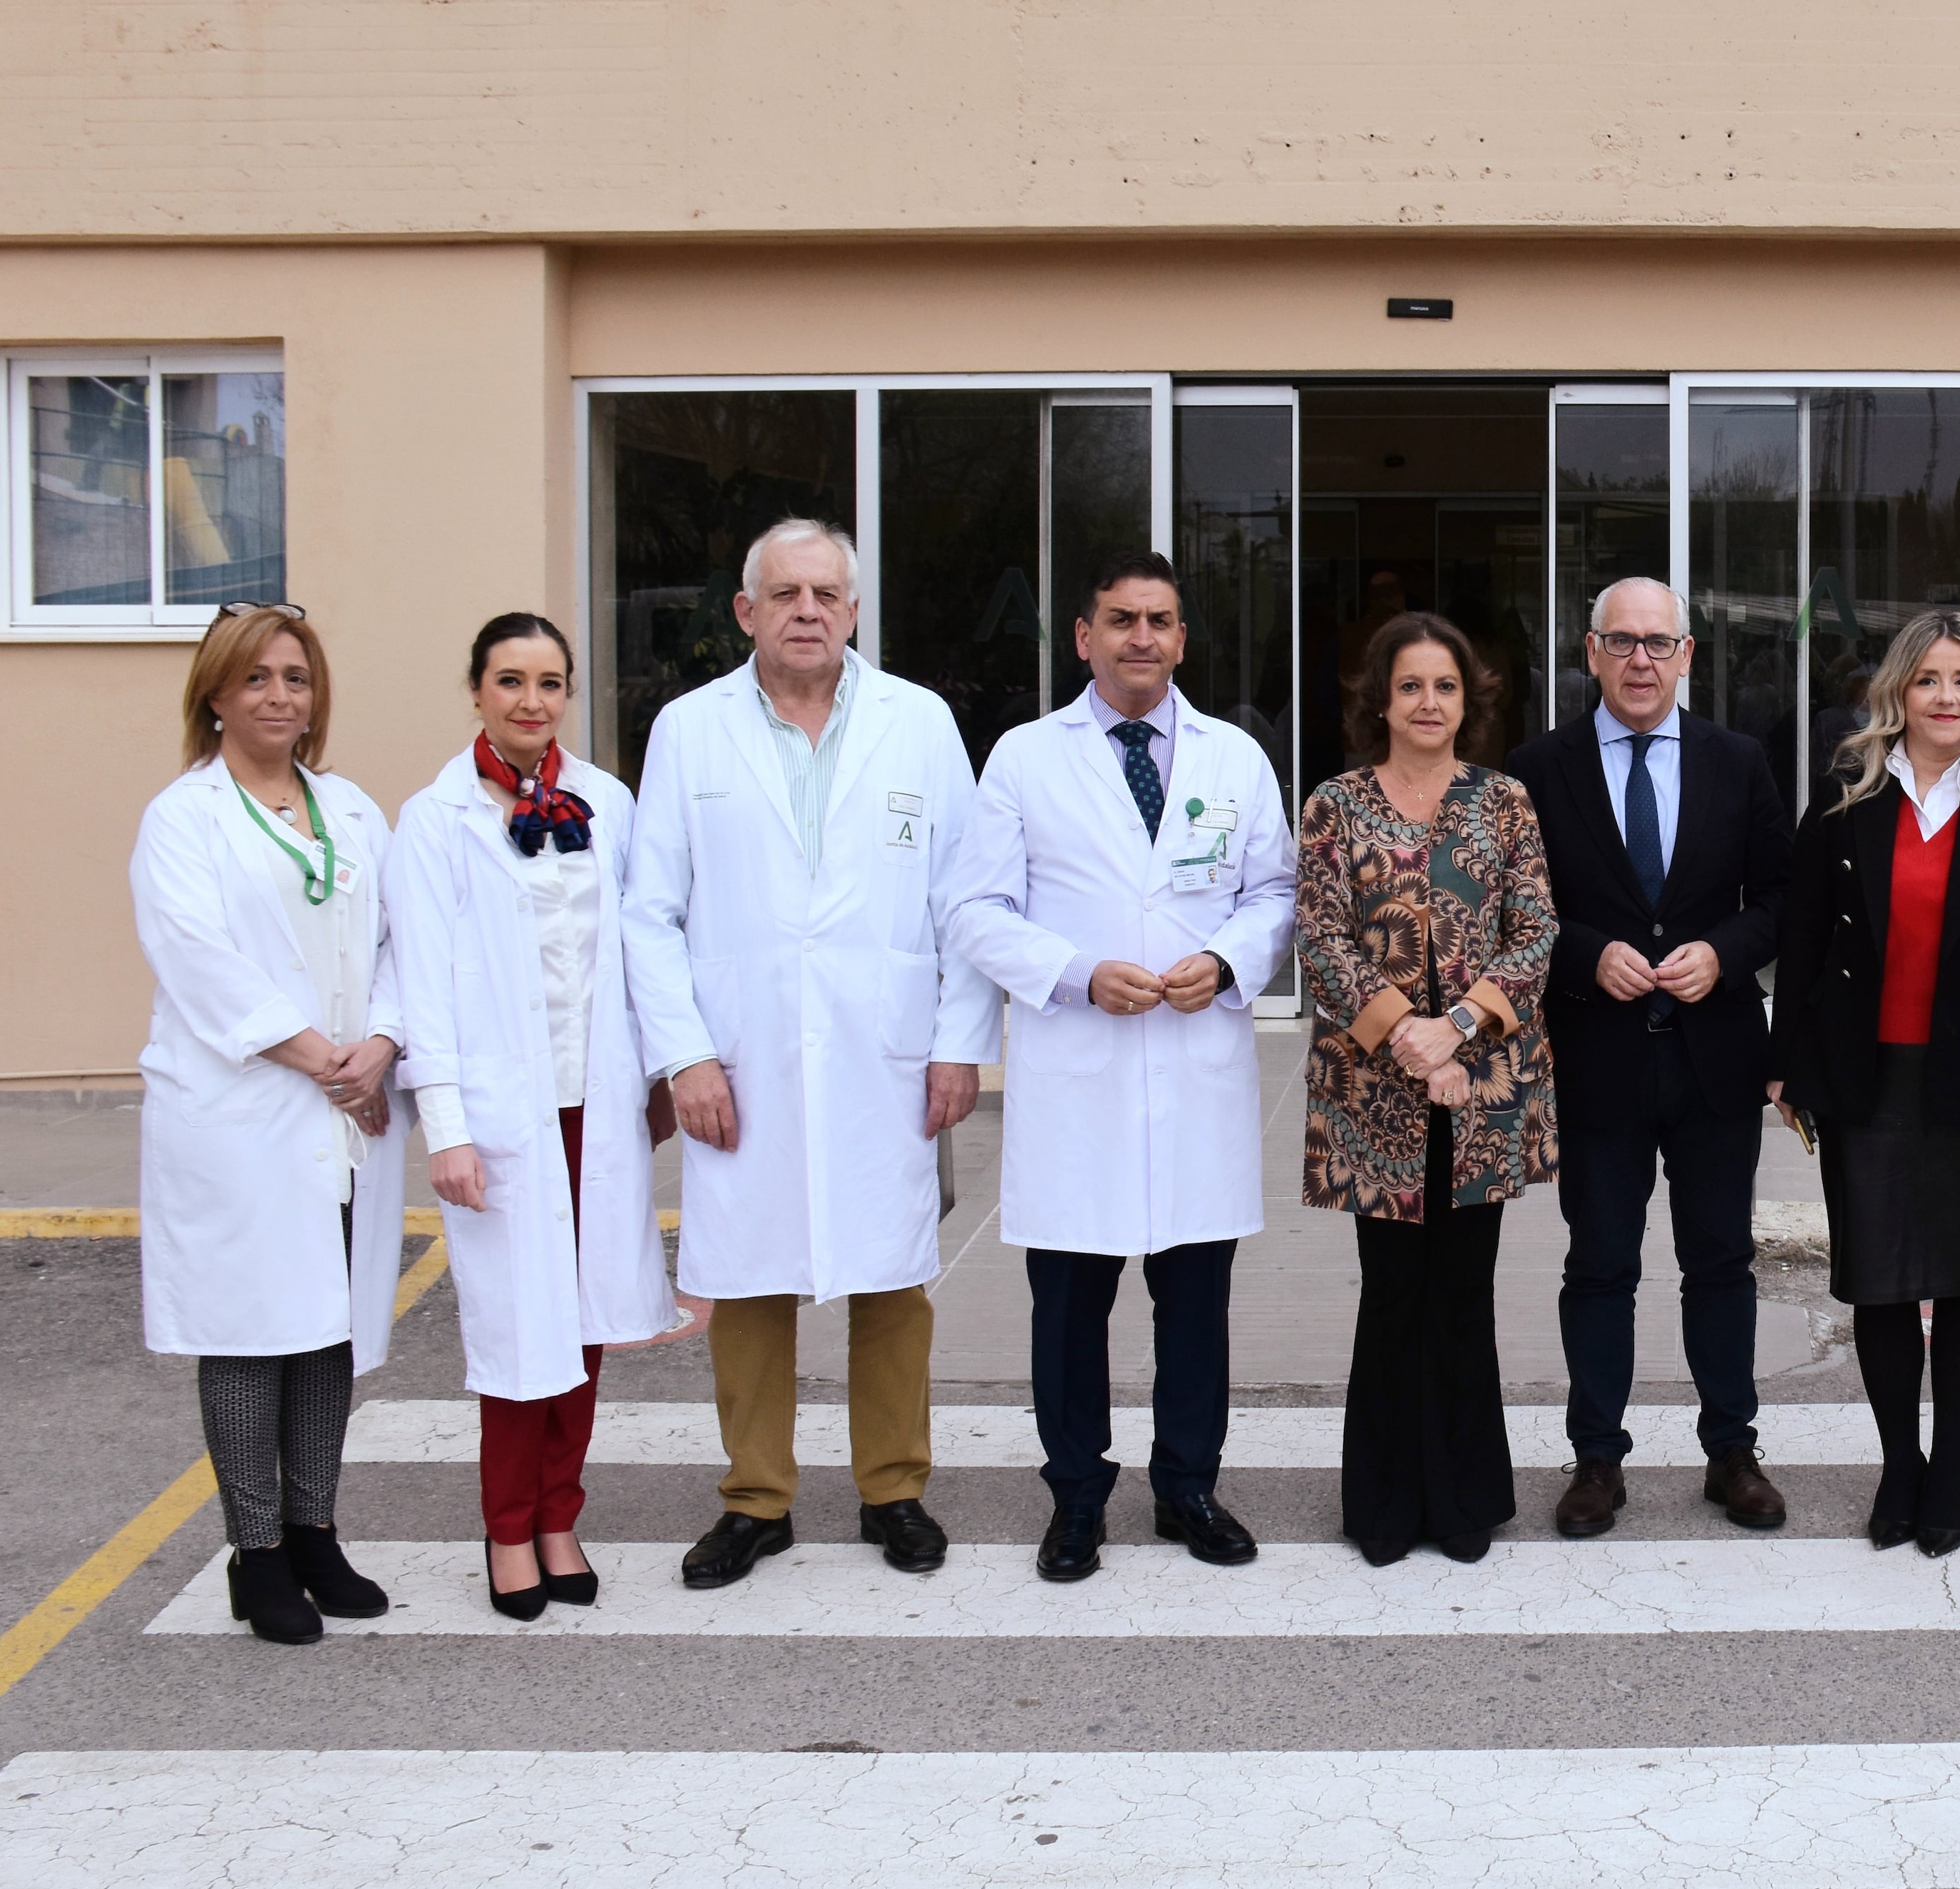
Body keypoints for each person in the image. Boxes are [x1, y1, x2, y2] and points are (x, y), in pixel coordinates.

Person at [622, 519, 996, 1591]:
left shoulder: (918, 722)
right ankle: (756, 1499)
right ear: (746, 611)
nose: (807, 611)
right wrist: (686, 1056)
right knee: (746, 1279)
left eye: (827, 594)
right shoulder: (690, 729)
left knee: (893, 1279)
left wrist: (959, 1045)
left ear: (855, 610)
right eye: (785, 593)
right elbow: (650, 912)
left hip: (885, 1051)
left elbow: (965, 899)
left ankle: (893, 1488)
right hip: (743, 1055)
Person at [949, 552, 1300, 1580]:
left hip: (1195, 1069)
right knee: (1069, 1310)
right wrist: (1073, 974)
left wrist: (1226, 961)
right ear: (1083, 636)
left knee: (1195, 1306)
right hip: (1079, 1071)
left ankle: (1188, 1486)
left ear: (1182, 639)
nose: (1140, 636)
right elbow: (974, 909)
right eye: (1120, 619)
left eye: (1159, 619)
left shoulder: (1237, 756)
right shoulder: (1024, 757)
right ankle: (1076, 1497)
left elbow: (1276, 891)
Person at [389, 613, 680, 1619]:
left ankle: (561, 1517)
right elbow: (422, 980)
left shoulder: (606, 802)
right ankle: (508, 1529)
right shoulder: (435, 820)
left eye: (550, 682)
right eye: (510, 680)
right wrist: (446, 1128)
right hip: (501, 1114)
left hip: (594, 1106)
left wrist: (658, 1073)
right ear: (476, 690)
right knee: (521, 1331)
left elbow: (641, 949)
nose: (531, 700)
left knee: (585, 1328)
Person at [129, 604, 405, 1645]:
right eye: (255, 678)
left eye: (296, 676)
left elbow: (401, 941)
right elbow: (197, 959)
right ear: (214, 695)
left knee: (327, 1325)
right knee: (249, 1333)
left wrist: (383, 1040)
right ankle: (256, 1555)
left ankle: (314, 1531)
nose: (279, 695)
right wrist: (323, 1055)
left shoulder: (351, 810)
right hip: (243, 1112)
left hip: (345, 1106)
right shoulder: (183, 818)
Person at [1771, 610, 1960, 1557]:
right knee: (1881, 1282)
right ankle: (1899, 1462)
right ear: (1898, 690)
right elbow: (1802, 937)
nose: (1946, 696)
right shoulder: (1846, 795)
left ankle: (1950, 1467)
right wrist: (1784, 1064)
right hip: (1866, 1074)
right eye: (1929, 678)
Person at [1505, 578, 1790, 1538]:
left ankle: (1732, 1451)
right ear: (1590, 652)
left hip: (1715, 1060)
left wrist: (1727, 953)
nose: (1640, 659)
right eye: (1621, 641)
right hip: (1598, 1058)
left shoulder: (1737, 760)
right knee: (1600, 1266)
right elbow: (1515, 909)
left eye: (1658, 642)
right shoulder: (1537, 770)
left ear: (1686, 656)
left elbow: (1781, 898)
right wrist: (1585, 954)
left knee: (1721, 1263)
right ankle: (1597, 1458)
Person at [1296, 612, 1558, 1566]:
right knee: (1392, 1293)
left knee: (1463, 1293)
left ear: (1468, 698)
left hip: (1483, 1090)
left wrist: (1460, 1027)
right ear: (1381, 700)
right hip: (1375, 1097)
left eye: (1445, 686)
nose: (1428, 702)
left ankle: (1462, 1500)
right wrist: (1408, 1035)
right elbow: (1320, 937)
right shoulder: (1335, 805)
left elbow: (1536, 932)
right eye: (1410, 685)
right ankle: (1383, 1505)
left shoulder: (1504, 803)